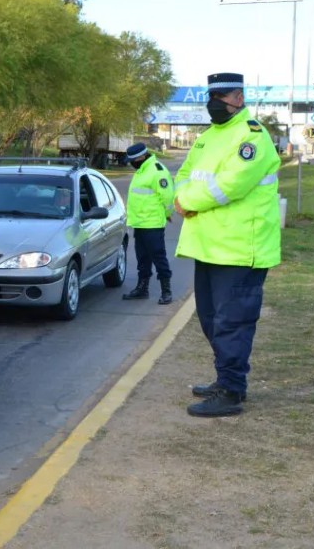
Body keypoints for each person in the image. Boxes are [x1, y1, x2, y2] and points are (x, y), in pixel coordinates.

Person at [174, 72, 281, 418]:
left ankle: (232, 390)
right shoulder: (207, 138)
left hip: (239, 249)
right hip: (208, 246)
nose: (214, 104)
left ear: (238, 97)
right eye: (211, 97)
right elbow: (184, 176)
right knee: (210, 320)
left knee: (232, 322)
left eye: (221, 97)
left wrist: (189, 201)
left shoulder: (253, 137)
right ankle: (226, 378)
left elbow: (231, 185)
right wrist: (182, 196)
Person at [121, 142, 174, 304]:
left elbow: (168, 197)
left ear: (142, 157)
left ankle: (166, 291)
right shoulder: (142, 170)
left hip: (153, 224)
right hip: (140, 223)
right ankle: (142, 288)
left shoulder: (157, 171)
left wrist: (167, 214)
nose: (131, 164)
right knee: (142, 259)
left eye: (132, 160)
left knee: (159, 257)